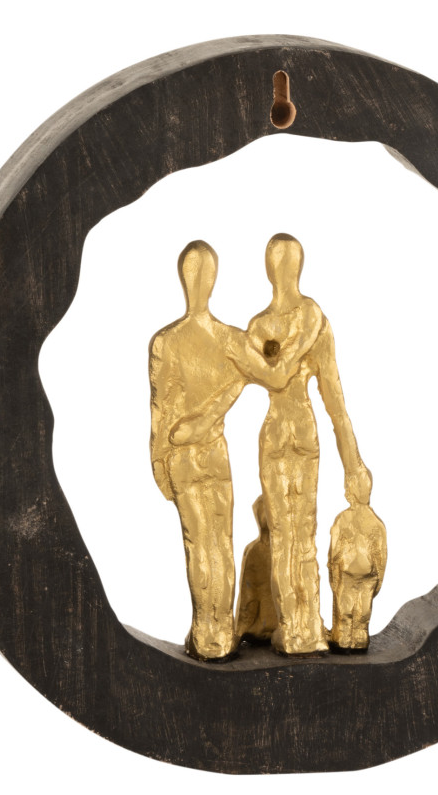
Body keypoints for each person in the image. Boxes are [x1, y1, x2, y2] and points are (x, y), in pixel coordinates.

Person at [148, 239, 319, 660]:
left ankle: (210, 634)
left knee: (201, 543)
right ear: (211, 280)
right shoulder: (227, 339)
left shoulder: (166, 342)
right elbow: (275, 378)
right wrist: (244, 378)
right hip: (212, 453)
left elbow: (160, 414)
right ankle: (218, 635)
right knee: (217, 543)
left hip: (187, 454)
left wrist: (159, 462)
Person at [247, 233, 372, 654]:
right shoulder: (309, 318)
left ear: (270, 270)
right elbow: (334, 402)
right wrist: (353, 461)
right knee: (299, 534)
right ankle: (303, 628)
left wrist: (354, 462)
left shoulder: (260, 327)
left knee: (289, 534)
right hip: (300, 429)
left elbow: (333, 398)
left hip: (280, 431)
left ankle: (298, 629)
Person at [327, 481, 387, 650]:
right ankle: (354, 640)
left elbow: (335, 551)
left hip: (351, 573)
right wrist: (378, 580)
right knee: (359, 610)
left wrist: (333, 574)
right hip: (363, 574)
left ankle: (346, 640)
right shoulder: (374, 522)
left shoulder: (344, 519)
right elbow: (381, 557)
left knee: (350, 610)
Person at [234, 494, 278, 644]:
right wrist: (240, 630)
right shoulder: (255, 550)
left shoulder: (285, 550)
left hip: (278, 628)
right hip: (259, 628)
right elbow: (248, 595)